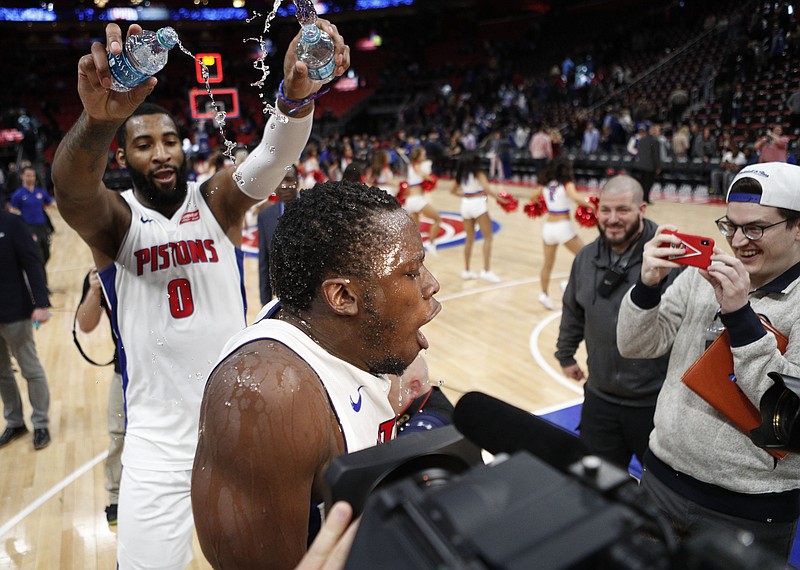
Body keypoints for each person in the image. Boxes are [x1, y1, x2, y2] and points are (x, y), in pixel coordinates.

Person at [50, 21, 350, 570]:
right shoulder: (117, 220)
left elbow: (272, 155)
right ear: (123, 158)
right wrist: (97, 123)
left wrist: (294, 99)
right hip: (158, 441)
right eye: (143, 144)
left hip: (238, 428)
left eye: (169, 140)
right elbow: (69, 190)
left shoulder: (216, 201)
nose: (161, 153)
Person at [191, 180, 441, 570]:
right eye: (410, 272)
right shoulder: (271, 396)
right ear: (342, 297)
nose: (431, 284)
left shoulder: (358, 338)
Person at [616, 162, 800, 561]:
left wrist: (740, 319)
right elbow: (635, 345)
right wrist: (647, 288)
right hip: (660, 480)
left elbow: (791, 418)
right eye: (730, 226)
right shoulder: (703, 275)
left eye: (755, 228)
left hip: (748, 511)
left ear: (798, 227)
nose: (738, 241)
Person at [555, 175, 679, 469]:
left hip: (656, 403)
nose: (612, 219)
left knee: (660, 496)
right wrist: (565, 353)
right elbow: (573, 309)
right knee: (598, 492)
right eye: (606, 210)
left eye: (622, 210)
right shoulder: (585, 258)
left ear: (642, 210)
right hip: (600, 398)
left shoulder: (669, 260)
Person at [76, 267, 124, 525]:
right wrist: (95, 290)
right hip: (123, 370)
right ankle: (116, 498)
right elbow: (85, 323)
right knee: (118, 434)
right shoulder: (100, 273)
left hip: (163, 368)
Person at [0, 210, 51, 450]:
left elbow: (32, 261)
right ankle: (15, 422)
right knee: (2, 373)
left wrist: (41, 303)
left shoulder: (12, 223)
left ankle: (40, 423)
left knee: (30, 369)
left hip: (15, 312)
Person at [532, 158, 587, 310]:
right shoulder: (567, 184)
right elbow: (575, 198)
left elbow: (533, 197)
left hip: (548, 227)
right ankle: (567, 284)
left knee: (547, 264)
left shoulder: (546, 185)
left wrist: (541, 205)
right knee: (586, 257)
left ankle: (543, 294)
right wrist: (592, 205)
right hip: (563, 227)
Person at [449, 152, 506, 282]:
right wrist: (499, 199)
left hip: (465, 206)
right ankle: (486, 270)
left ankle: (467, 270)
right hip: (478, 205)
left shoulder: (460, 175)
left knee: (469, 238)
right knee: (488, 237)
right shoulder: (478, 173)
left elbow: (452, 191)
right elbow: (486, 188)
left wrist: (465, 196)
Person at [258, 166, 300, 305]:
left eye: (289, 180)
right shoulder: (265, 216)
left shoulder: (314, 211)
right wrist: (265, 304)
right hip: (282, 301)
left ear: (297, 182)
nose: (284, 186)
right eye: (279, 181)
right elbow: (264, 264)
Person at [388, 353, 454, 436]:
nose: (379, 393)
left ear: (413, 388)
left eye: (387, 387)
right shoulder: (432, 398)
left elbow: (412, 443)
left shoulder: (433, 421)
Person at [9, 165, 54, 271]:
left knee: (47, 254)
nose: (31, 178)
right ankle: (42, 283)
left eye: (33, 175)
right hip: (29, 228)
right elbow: (13, 211)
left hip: (42, 227)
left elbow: (51, 203)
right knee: (39, 256)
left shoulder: (40, 192)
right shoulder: (17, 195)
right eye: (28, 175)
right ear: (22, 177)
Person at [404, 146, 441, 255]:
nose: (425, 156)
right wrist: (431, 179)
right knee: (437, 219)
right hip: (417, 200)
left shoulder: (410, 167)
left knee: (416, 228)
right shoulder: (416, 166)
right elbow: (423, 175)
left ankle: (413, 250)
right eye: (423, 154)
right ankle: (431, 243)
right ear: (418, 156)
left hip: (411, 201)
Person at [634, 124, 661, 204]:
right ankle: (645, 199)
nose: (659, 133)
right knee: (648, 183)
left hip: (641, 165)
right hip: (650, 166)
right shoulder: (655, 141)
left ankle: (641, 198)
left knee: (642, 183)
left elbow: (638, 152)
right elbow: (656, 155)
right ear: (654, 132)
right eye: (658, 131)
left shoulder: (642, 139)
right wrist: (658, 166)